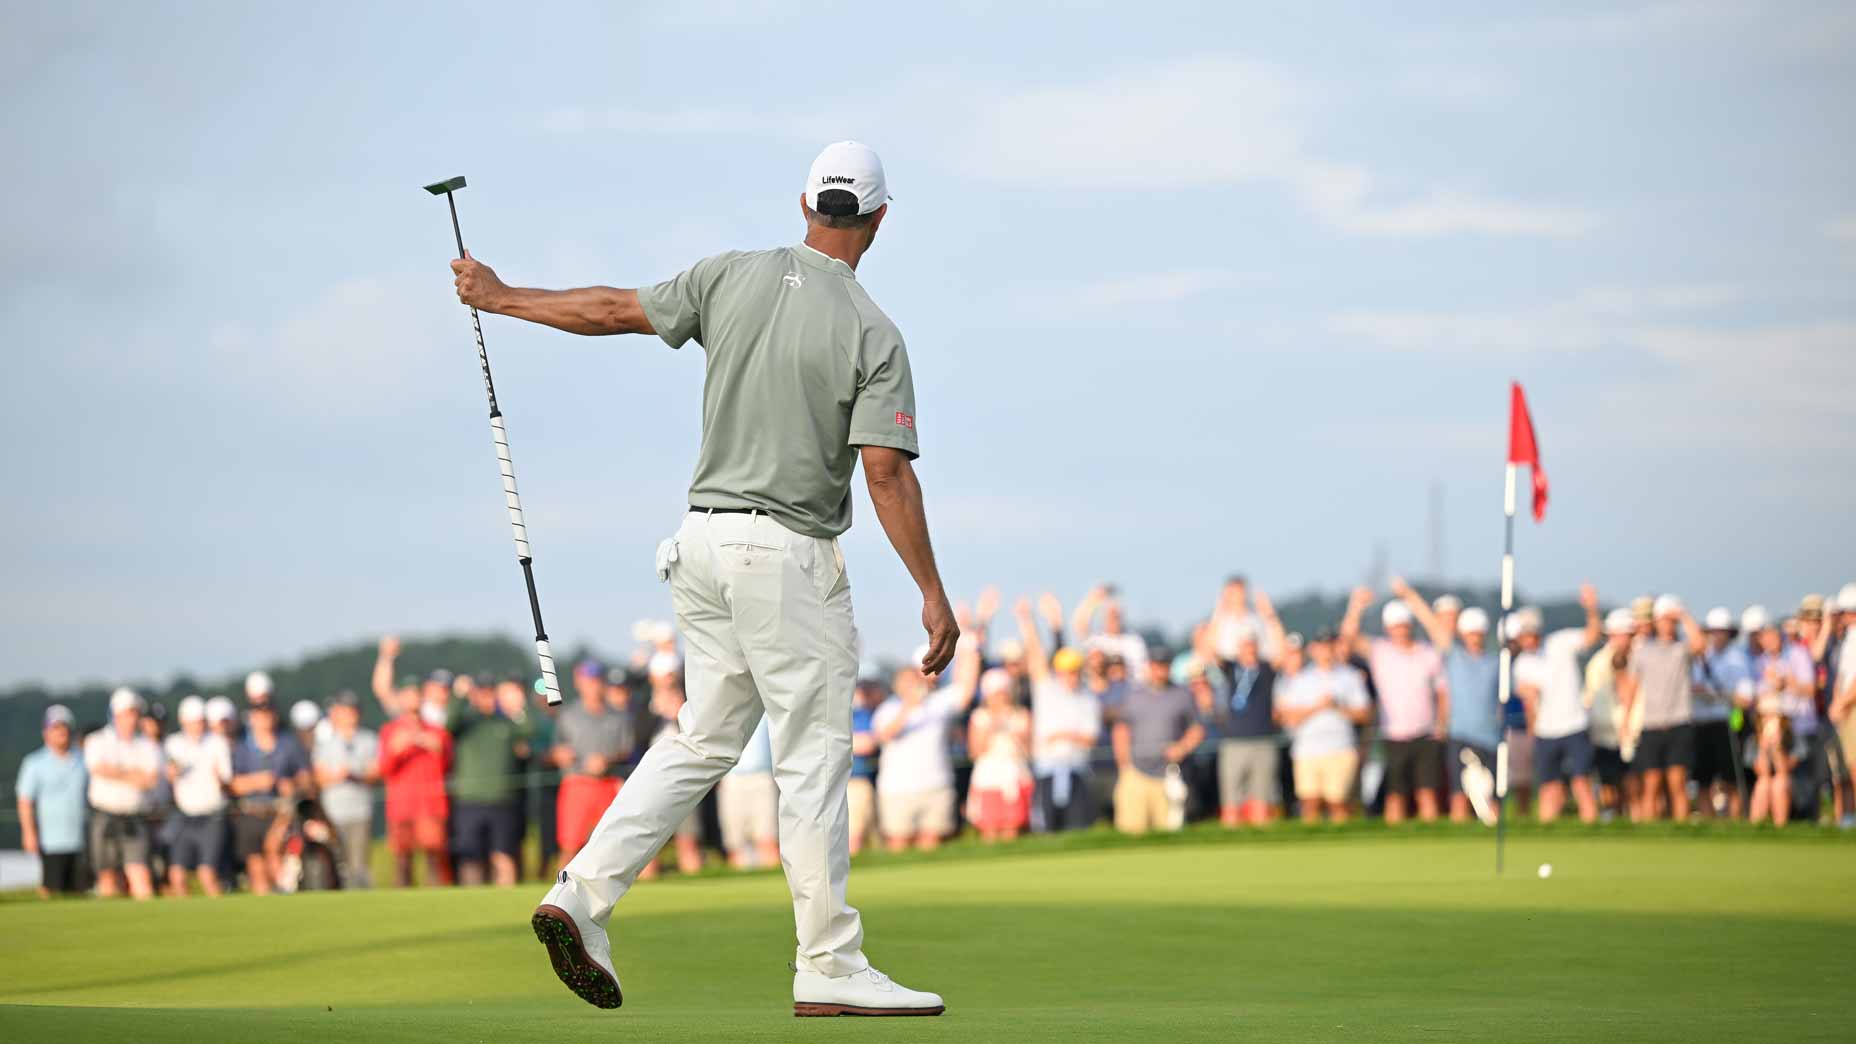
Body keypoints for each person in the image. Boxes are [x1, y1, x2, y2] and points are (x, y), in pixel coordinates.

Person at [459, 141, 952, 1014]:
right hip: (789, 557)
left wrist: (501, 298)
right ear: (879, 220)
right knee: (812, 760)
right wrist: (933, 594)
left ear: (805, 204)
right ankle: (829, 964)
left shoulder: (729, 275)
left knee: (701, 739)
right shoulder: (875, 331)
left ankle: (581, 894)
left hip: (699, 545)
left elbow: (610, 309)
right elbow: (885, 473)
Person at [1391, 580, 1500, 825]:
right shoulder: (1454, 655)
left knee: (1489, 799)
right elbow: (1431, 624)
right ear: (1463, 633)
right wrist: (1409, 595)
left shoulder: (1495, 663)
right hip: (1460, 735)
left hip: (1491, 739)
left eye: (1478, 633)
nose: (1474, 638)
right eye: (1470, 633)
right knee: (1459, 796)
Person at [1339, 588, 1446, 823]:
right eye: (1396, 626)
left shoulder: (1427, 653)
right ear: (1388, 628)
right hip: (1393, 733)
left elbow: (1441, 690)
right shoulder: (1380, 651)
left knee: (1427, 793)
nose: (1400, 630)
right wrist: (1356, 606)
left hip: (1426, 733)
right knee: (1395, 795)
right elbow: (1348, 638)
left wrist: (1412, 598)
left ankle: (1432, 841)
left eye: (1404, 625)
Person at [874, 640, 980, 852]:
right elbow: (884, 735)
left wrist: (970, 647)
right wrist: (909, 708)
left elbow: (966, 688)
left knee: (932, 844)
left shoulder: (938, 703)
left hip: (936, 785)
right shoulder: (888, 709)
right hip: (897, 789)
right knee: (898, 845)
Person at [1510, 586, 1603, 824]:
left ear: (1538, 632)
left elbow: (1592, 636)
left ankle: (1591, 831)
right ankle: (1546, 832)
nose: (1528, 638)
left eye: (1531, 633)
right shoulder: (1522, 664)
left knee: (1581, 782)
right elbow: (1530, 703)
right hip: (1545, 731)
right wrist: (1532, 729)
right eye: (1524, 634)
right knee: (1548, 788)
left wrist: (1592, 608)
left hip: (1574, 725)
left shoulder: (1560, 642)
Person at [1015, 597, 1102, 832]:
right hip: (1047, 770)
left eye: (1074, 671)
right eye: (1066, 672)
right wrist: (1027, 620)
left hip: (1077, 771)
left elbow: (1090, 738)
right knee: (1046, 830)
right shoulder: (1047, 689)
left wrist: (1064, 735)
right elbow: (1035, 653)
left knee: (1079, 828)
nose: (1070, 676)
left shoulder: (1087, 698)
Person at [1202, 590, 1287, 827]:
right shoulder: (1230, 669)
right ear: (1238, 648)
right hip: (1234, 741)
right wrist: (1220, 611)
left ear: (1257, 646)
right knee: (1230, 804)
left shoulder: (1266, 669)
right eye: (1244, 645)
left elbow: (1281, 649)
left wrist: (1269, 615)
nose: (1248, 649)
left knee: (1262, 803)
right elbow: (1208, 649)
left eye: (1252, 644)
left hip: (1263, 739)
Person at [371, 647, 454, 887]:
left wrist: (431, 744)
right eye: (407, 694)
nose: (412, 699)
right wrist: (398, 749)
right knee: (402, 861)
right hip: (401, 805)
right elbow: (384, 768)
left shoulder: (436, 731)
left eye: (416, 694)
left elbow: (447, 763)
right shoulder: (390, 731)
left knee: (434, 858)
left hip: (430, 804)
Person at [1619, 595, 1707, 821]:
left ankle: (1681, 829)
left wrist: (1683, 615)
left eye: (1670, 621)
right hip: (1651, 724)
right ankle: (1650, 834)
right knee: (1651, 783)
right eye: (1662, 620)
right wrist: (1626, 720)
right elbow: (1632, 688)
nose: (1666, 625)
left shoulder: (1681, 649)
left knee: (1677, 783)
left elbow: (1699, 644)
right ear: (1655, 622)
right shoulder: (1642, 651)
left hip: (1678, 722)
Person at [1276, 631, 1373, 823]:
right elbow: (1287, 717)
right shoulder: (1300, 679)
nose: (1326, 650)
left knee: (1338, 803)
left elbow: (1365, 714)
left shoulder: (1350, 676)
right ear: (1313, 650)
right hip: (1307, 749)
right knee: (1309, 803)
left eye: (1329, 645)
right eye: (1321, 646)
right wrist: (1317, 707)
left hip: (1341, 747)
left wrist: (1337, 706)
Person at [450, 673, 535, 886]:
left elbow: (529, 729)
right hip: (470, 800)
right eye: (482, 692)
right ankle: (470, 902)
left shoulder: (505, 721)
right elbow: (448, 724)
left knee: (503, 855)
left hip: (502, 800)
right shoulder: (467, 722)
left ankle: (506, 902)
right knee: (471, 858)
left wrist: (518, 705)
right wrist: (458, 697)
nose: (486, 697)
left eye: (490, 692)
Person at [551, 659, 636, 867]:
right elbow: (555, 749)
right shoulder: (568, 715)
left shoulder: (619, 716)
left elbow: (627, 750)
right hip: (576, 784)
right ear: (578, 682)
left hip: (608, 784)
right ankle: (561, 894)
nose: (593, 685)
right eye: (588, 680)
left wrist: (606, 760)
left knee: (613, 846)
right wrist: (559, 754)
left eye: (596, 680)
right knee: (570, 846)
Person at [1111, 652, 1206, 835]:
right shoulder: (1134, 696)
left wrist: (1182, 747)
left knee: (1168, 834)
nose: (1159, 671)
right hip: (1136, 773)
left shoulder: (1182, 695)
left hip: (1169, 775)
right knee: (1130, 832)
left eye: (1163, 666)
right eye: (1155, 666)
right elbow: (1121, 730)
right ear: (1148, 667)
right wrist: (1124, 764)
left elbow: (1197, 729)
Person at [84, 687, 162, 899]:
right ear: (115, 714)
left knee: (140, 874)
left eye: (135, 713)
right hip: (105, 816)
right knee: (107, 876)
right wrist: (133, 774)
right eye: (128, 713)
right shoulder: (97, 740)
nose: (132, 718)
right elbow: (99, 768)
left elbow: (150, 779)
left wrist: (117, 772)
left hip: (134, 818)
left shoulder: (147, 745)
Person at [229, 699, 311, 894]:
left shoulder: (288, 744)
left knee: (275, 854)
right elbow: (233, 784)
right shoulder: (242, 748)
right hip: (251, 812)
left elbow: (305, 778)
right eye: (259, 714)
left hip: (281, 812)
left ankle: (285, 899)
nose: (264, 719)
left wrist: (292, 785)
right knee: (256, 867)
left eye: (267, 714)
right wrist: (257, 782)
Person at [1745, 608, 1815, 826]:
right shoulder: (1759, 662)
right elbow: (1754, 698)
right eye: (1763, 636)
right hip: (1764, 725)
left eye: (1771, 635)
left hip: (1793, 726)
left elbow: (1810, 689)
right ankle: (1756, 827)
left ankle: (1783, 824)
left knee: (1785, 778)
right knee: (1763, 779)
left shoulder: (1797, 654)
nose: (1767, 640)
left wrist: (1785, 683)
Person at [16, 704, 89, 898]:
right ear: (46, 732)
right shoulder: (34, 763)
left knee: (79, 893)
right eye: (55, 727)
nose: (61, 731)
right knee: (51, 891)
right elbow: (25, 801)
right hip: (50, 841)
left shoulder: (83, 759)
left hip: (81, 839)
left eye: (64, 727)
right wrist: (29, 833)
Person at [163, 695, 233, 896]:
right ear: (183, 721)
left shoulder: (217, 743)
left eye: (202, 721)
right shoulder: (173, 744)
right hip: (184, 816)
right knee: (177, 875)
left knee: (206, 874)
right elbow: (169, 774)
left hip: (212, 816)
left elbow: (225, 778)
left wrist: (219, 779)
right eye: (194, 722)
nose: (199, 726)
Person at [635, 682, 703, 879]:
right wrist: (656, 713)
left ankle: (697, 890)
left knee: (688, 841)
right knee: (648, 846)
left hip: (685, 785)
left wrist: (677, 715)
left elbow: (699, 739)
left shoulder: (689, 713)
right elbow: (638, 738)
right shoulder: (646, 714)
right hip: (651, 787)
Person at [1693, 607, 1755, 818]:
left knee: (1731, 781)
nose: (1717, 635)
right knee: (1703, 782)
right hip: (1701, 724)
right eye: (1713, 631)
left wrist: (1714, 695)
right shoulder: (1700, 657)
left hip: (1726, 724)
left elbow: (1744, 698)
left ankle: (1734, 823)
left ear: (1730, 633)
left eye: (1722, 631)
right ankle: (1710, 828)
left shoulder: (1738, 658)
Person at [314, 691, 379, 888]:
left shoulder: (369, 739)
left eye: (353, 710)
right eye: (345, 710)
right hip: (333, 811)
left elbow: (376, 773)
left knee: (358, 865)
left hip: (360, 810)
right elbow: (318, 777)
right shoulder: (325, 743)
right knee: (336, 864)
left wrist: (354, 775)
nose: (350, 714)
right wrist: (337, 776)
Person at [1582, 609, 1638, 819]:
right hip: (1604, 735)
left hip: (1634, 734)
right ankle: (1612, 820)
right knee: (1608, 787)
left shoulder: (1640, 658)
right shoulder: (1597, 663)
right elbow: (1590, 699)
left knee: (1633, 786)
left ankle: (1636, 823)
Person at [966, 668, 1032, 842]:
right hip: (988, 779)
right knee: (989, 828)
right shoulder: (980, 717)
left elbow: (1029, 750)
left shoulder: (1021, 715)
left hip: (1016, 776)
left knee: (1014, 827)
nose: (1000, 697)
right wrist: (993, 725)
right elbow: (975, 752)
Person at [718, 719, 782, 867]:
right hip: (731, 778)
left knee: (768, 843)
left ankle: (774, 890)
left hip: (763, 777)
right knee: (736, 846)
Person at [847, 678, 884, 855]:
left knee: (875, 838)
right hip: (851, 783)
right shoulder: (853, 714)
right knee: (853, 837)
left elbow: (869, 743)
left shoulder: (869, 714)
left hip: (866, 782)